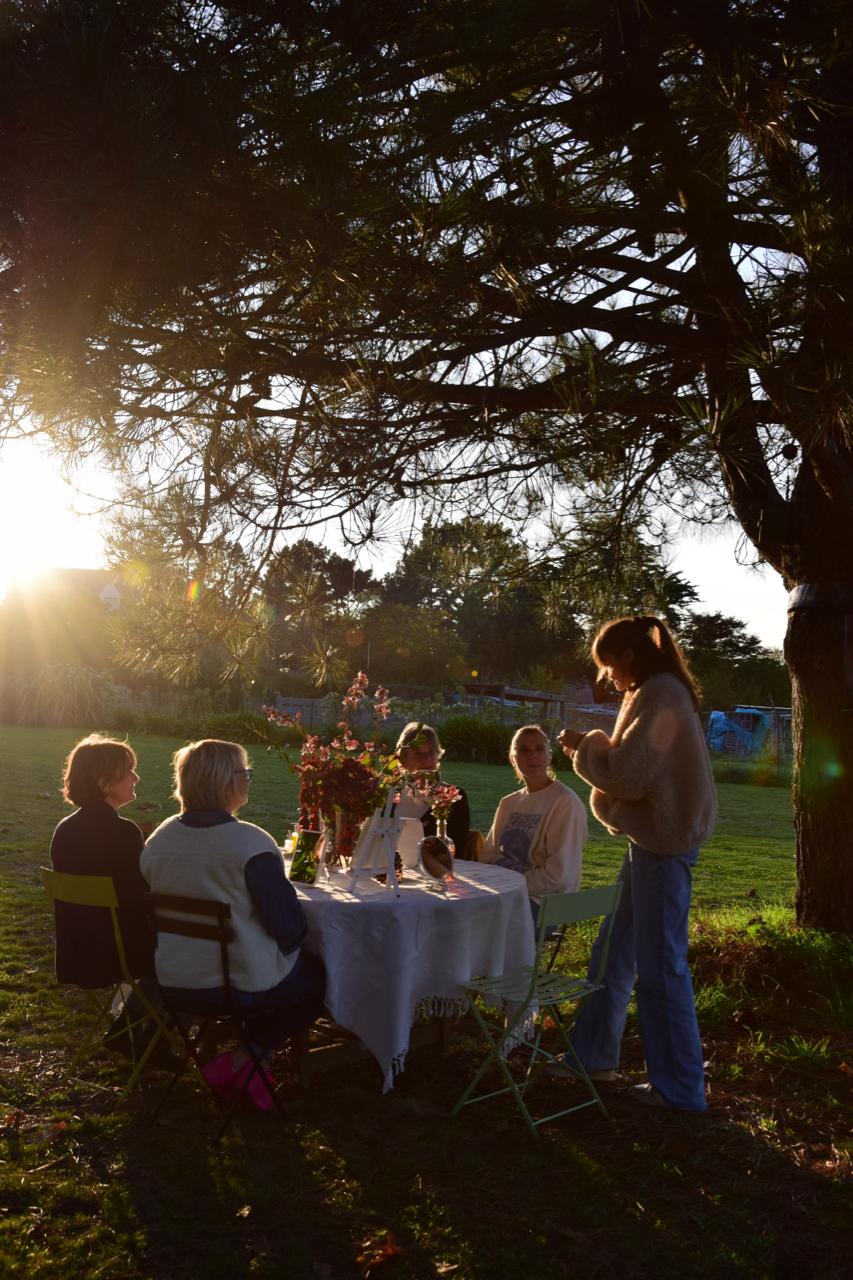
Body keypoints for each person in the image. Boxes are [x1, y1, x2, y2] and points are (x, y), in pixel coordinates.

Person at [557, 614, 716, 1112]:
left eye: (608, 666)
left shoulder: (661, 693)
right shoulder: (650, 692)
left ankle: (681, 1089)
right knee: (613, 949)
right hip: (650, 842)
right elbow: (633, 767)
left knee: (661, 967)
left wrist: (584, 747)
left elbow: (627, 776)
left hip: (664, 846)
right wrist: (594, 749)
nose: (608, 678)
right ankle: (591, 1056)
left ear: (627, 657)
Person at [141, 739, 325, 1108]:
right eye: (246, 774)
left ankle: (252, 1060)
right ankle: (246, 1056)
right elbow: (288, 929)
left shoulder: (159, 839)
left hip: (174, 979)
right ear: (226, 782)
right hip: (237, 985)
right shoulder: (249, 844)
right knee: (317, 979)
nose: (249, 781)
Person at [48, 734, 166, 1061]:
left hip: (78, 949)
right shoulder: (123, 832)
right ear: (103, 782)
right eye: (128, 771)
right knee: (186, 953)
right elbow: (140, 896)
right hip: (118, 953)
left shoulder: (65, 829)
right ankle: (150, 1039)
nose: (136, 778)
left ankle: (133, 1031)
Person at [479, 724, 587, 925]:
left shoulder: (564, 802)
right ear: (513, 759)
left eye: (539, 749)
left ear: (549, 756)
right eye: (523, 750)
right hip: (504, 893)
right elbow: (487, 856)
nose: (532, 756)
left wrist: (507, 882)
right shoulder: (508, 803)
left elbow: (559, 876)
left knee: (480, 923)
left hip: (545, 904)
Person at [395, 722, 471, 855]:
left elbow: (457, 853)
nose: (426, 759)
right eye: (417, 753)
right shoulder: (392, 796)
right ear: (403, 760)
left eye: (431, 751)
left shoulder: (454, 797)